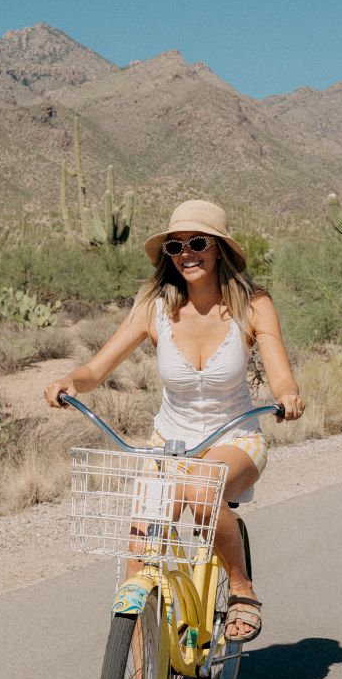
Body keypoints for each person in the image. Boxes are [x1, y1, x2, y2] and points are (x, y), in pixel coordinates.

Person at [45, 199, 305, 642]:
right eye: (176, 246)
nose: (187, 252)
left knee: (202, 490)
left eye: (198, 242)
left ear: (218, 248)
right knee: (138, 550)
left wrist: (288, 396)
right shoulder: (154, 308)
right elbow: (96, 369)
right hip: (169, 442)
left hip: (235, 436)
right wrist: (70, 379)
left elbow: (280, 372)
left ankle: (241, 588)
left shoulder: (253, 305)